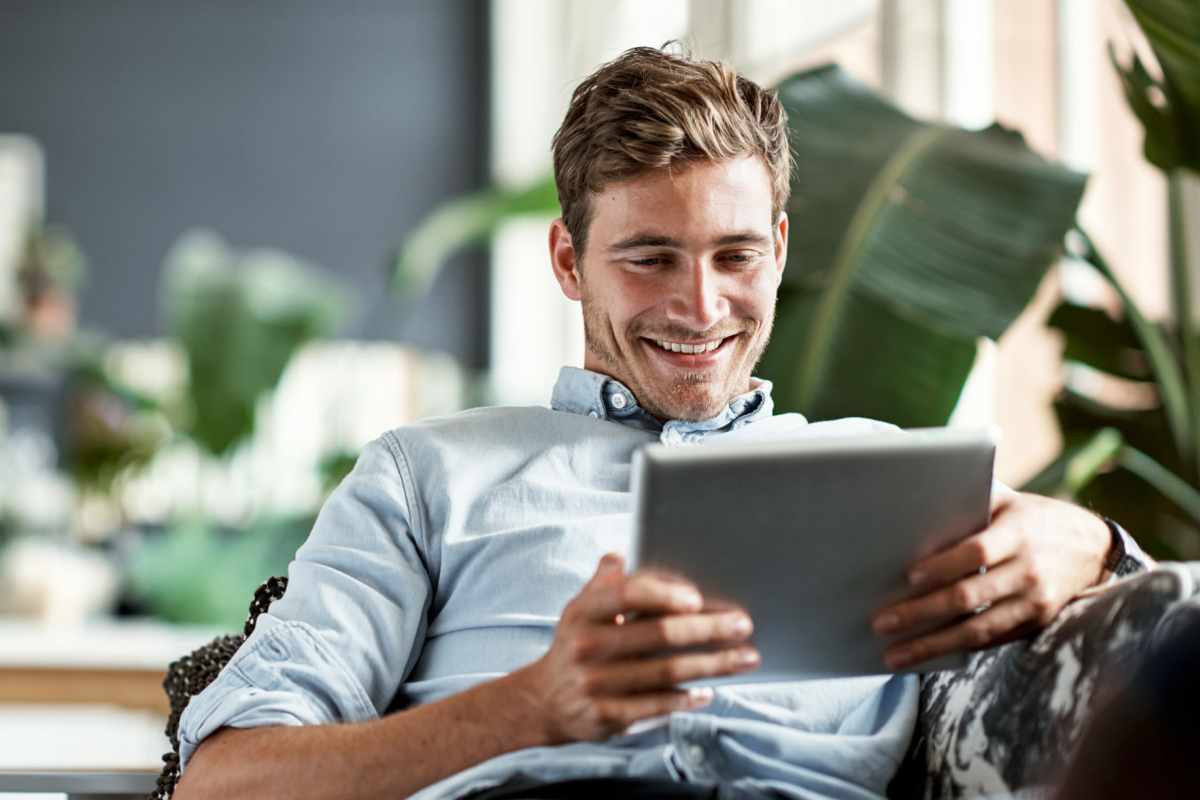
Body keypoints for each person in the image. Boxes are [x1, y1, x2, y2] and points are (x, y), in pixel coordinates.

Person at [174, 46, 1148, 800]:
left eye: (734, 255)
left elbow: (1161, 666)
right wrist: (530, 706)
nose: (700, 305)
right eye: (649, 258)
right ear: (568, 260)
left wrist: (1096, 543)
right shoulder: (427, 475)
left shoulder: (892, 477)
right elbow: (229, 779)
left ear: (778, 247)